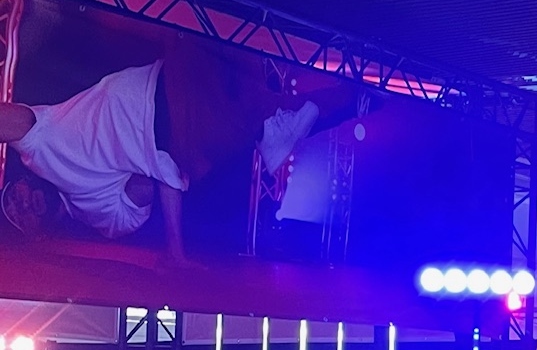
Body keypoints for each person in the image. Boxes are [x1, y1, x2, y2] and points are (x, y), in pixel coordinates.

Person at [0, 46, 360, 264]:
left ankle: (287, 126)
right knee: (246, 88)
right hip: (178, 137)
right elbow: (150, 180)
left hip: (159, 83)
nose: (22, 204)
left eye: (14, 197)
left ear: (21, 180)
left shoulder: (40, 153)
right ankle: (354, 100)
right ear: (37, 234)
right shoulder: (102, 220)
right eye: (17, 214)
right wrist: (176, 251)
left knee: (238, 51)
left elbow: (15, 121)